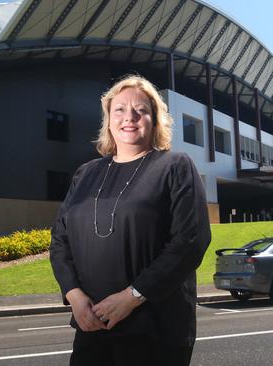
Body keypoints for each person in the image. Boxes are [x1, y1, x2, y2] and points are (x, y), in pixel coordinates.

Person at [50, 75, 211, 366]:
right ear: (108, 120)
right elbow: (61, 239)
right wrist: (73, 295)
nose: (130, 117)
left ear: (155, 119)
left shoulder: (175, 166)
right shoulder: (85, 174)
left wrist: (132, 296)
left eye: (141, 110)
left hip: (155, 331)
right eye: (120, 110)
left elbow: (190, 241)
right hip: (93, 325)